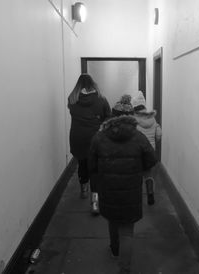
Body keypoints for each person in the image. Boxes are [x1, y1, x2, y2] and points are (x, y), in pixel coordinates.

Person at [89, 95, 157, 274]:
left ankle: (114, 249)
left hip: (108, 190)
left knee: (112, 220)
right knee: (127, 231)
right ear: (131, 118)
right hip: (131, 192)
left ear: (111, 117)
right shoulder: (139, 137)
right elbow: (151, 160)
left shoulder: (99, 137)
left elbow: (92, 165)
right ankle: (124, 269)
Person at [68, 73, 111, 206]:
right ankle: (95, 203)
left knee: (82, 163)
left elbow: (73, 112)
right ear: (93, 84)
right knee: (95, 170)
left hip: (77, 137)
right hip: (95, 137)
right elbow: (108, 117)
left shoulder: (72, 99)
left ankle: (84, 190)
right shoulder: (101, 99)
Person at [131, 91, 162, 205]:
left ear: (134, 106)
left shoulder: (133, 120)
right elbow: (159, 133)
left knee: (136, 174)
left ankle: (136, 197)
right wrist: (154, 140)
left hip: (137, 151)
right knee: (148, 173)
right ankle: (150, 193)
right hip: (150, 151)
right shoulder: (152, 119)